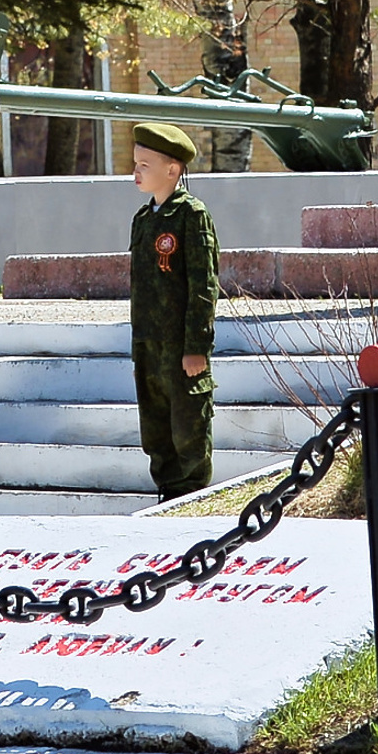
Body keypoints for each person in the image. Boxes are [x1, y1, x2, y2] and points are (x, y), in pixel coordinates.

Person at [127, 122, 216, 504]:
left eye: (144, 165)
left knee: (188, 425)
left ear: (172, 169)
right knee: (156, 428)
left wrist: (196, 346)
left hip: (181, 347)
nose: (136, 172)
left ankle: (191, 494)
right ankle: (166, 492)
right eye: (135, 164)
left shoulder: (191, 216)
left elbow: (203, 286)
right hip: (149, 345)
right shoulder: (143, 220)